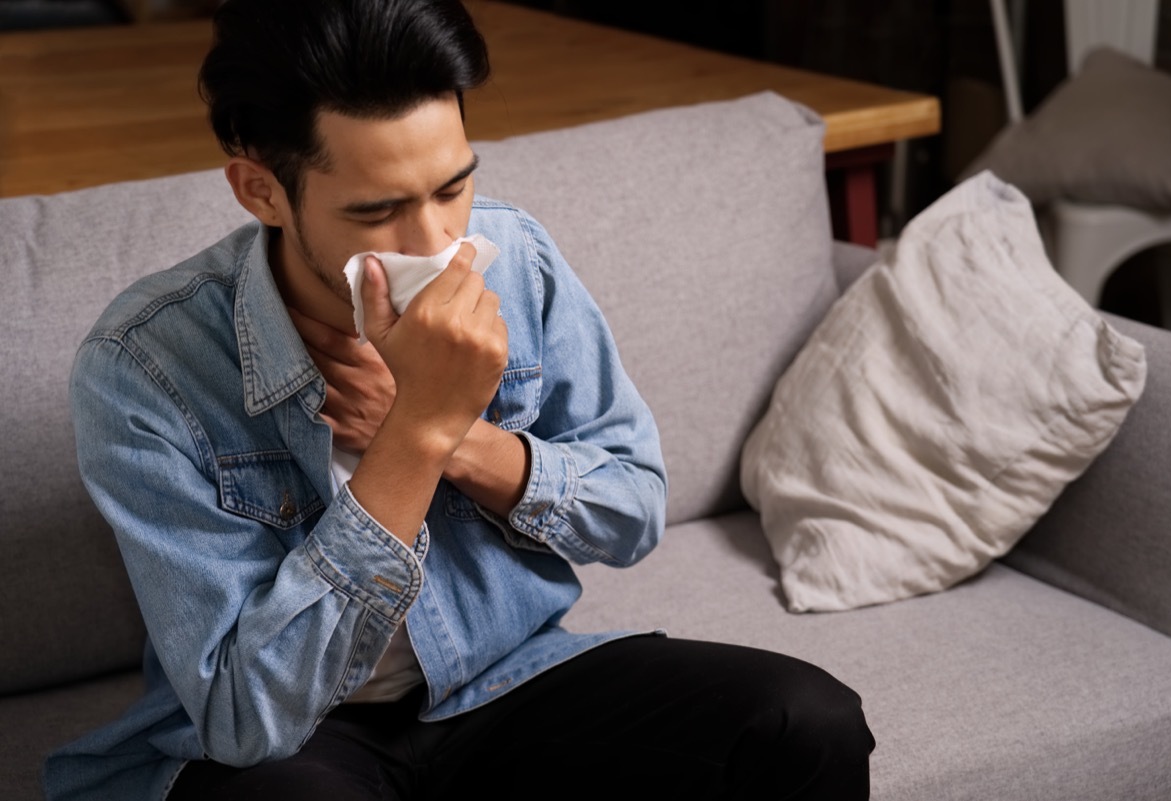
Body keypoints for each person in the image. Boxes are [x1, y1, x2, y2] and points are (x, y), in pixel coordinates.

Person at [45, 1, 874, 799]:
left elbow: (634, 508)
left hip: (503, 682)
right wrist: (412, 437)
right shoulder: (147, 365)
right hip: (298, 741)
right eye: (379, 211)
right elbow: (247, 717)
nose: (438, 245)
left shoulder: (515, 259)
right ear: (260, 191)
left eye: (452, 188)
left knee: (805, 722)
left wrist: (463, 441)